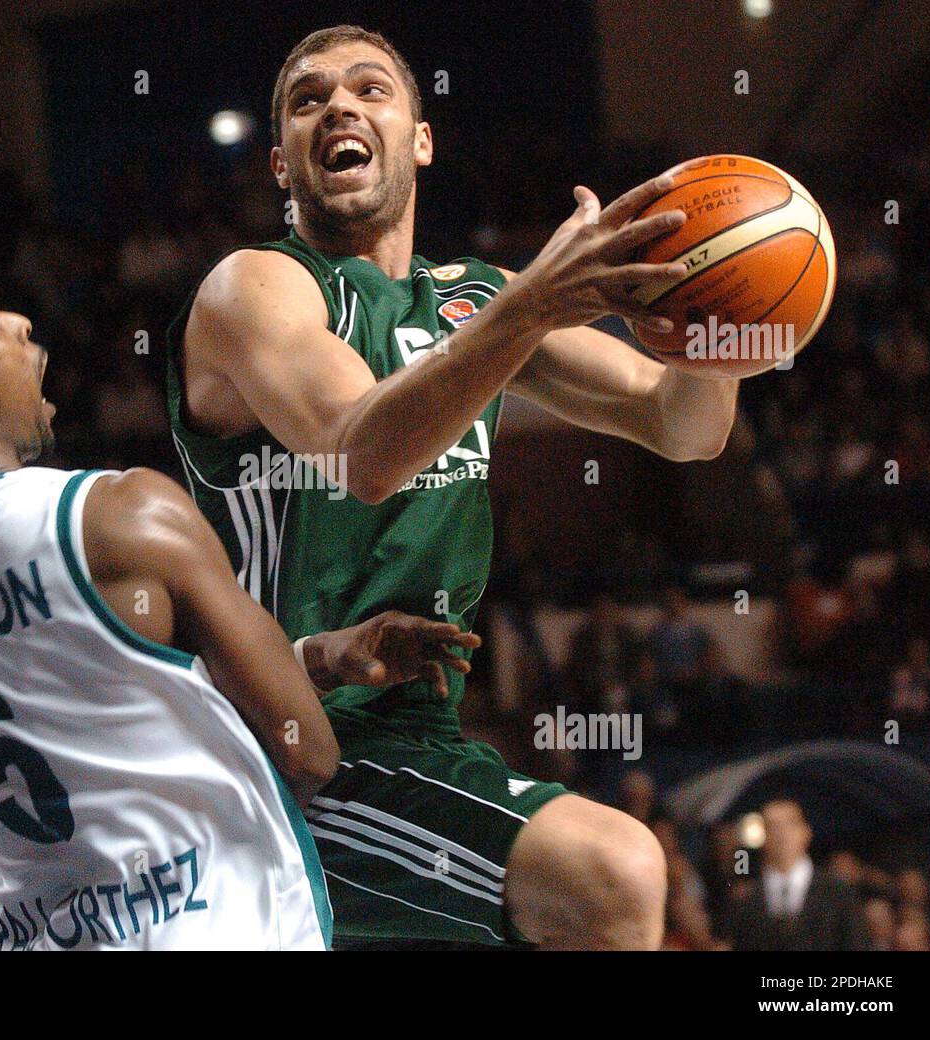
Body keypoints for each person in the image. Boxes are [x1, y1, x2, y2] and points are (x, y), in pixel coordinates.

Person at [166, 25, 738, 948]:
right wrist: (531, 306)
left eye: (368, 90)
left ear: (420, 140)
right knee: (614, 870)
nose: (340, 108)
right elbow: (361, 453)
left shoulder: (475, 300)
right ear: (281, 164)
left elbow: (684, 426)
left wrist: (725, 313)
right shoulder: (254, 288)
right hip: (280, 739)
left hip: (415, 736)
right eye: (309, 100)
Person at [0, 278, 475, 950]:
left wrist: (311, 657)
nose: (18, 322)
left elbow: (98, 717)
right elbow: (305, 752)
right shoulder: (121, 514)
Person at [726, 799, 870, 951]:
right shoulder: (746, 901)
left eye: (790, 824)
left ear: (806, 832)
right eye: (772, 827)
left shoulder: (839, 893)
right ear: (763, 837)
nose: (782, 835)